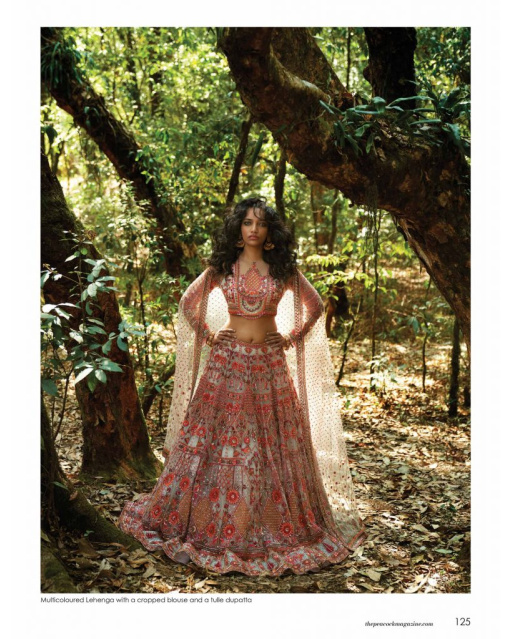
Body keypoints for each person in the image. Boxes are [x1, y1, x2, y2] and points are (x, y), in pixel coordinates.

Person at [117, 197, 366, 576]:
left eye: (261, 224)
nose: (254, 229)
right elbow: (189, 301)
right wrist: (209, 334)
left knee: (269, 447)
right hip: (226, 365)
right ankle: (209, 524)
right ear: (238, 228)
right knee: (217, 443)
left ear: (270, 233)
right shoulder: (222, 268)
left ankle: (267, 524)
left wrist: (289, 337)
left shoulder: (282, 270)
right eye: (248, 222)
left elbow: (314, 306)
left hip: (269, 368)